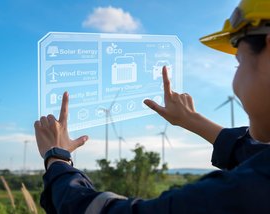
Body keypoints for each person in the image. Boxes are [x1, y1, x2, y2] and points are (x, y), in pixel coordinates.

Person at [34, 0, 270, 213]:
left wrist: (57, 159)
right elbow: (255, 158)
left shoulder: (240, 194)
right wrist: (193, 120)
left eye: (238, 61)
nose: (235, 83)